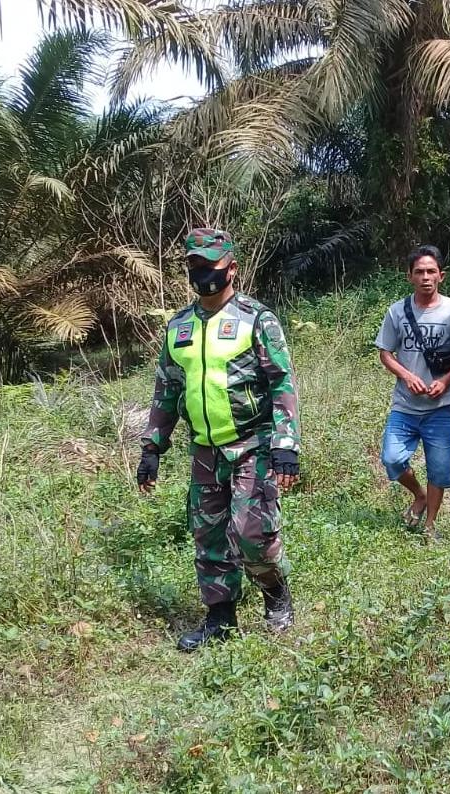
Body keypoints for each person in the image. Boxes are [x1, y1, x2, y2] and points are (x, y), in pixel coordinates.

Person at [137, 228, 302, 652]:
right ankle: (220, 618)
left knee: (251, 533)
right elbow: (167, 390)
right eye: (194, 266)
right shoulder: (179, 326)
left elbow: (282, 381)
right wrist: (152, 447)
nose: (201, 274)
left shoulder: (256, 319)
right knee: (208, 536)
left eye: (209, 266)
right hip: (205, 451)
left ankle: (275, 593)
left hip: (253, 443)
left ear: (232, 269)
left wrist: (286, 445)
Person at [375, 245, 450, 539]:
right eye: (419, 272)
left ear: (442, 275)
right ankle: (419, 495)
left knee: (439, 469)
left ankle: (430, 526)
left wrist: (447, 379)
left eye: (431, 271)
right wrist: (406, 375)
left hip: (440, 407)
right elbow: (385, 352)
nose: (425, 277)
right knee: (391, 458)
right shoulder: (397, 311)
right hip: (404, 406)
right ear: (409, 277)